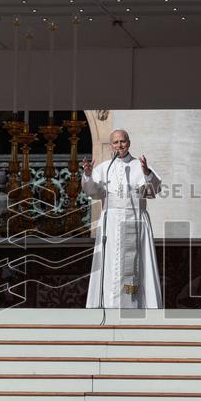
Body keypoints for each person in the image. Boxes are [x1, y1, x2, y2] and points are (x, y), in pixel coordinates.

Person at [82, 129, 163, 309]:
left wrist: (147, 172)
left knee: (137, 267)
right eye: (115, 142)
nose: (119, 145)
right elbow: (92, 191)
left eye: (123, 141)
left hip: (136, 222)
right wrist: (88, 175)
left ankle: (140, 308)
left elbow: (152, 192)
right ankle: (108, 306)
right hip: (111, 223)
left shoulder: (139, 166)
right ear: (111, 145)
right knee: (110, 265)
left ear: (129, 142)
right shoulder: (105, 167)